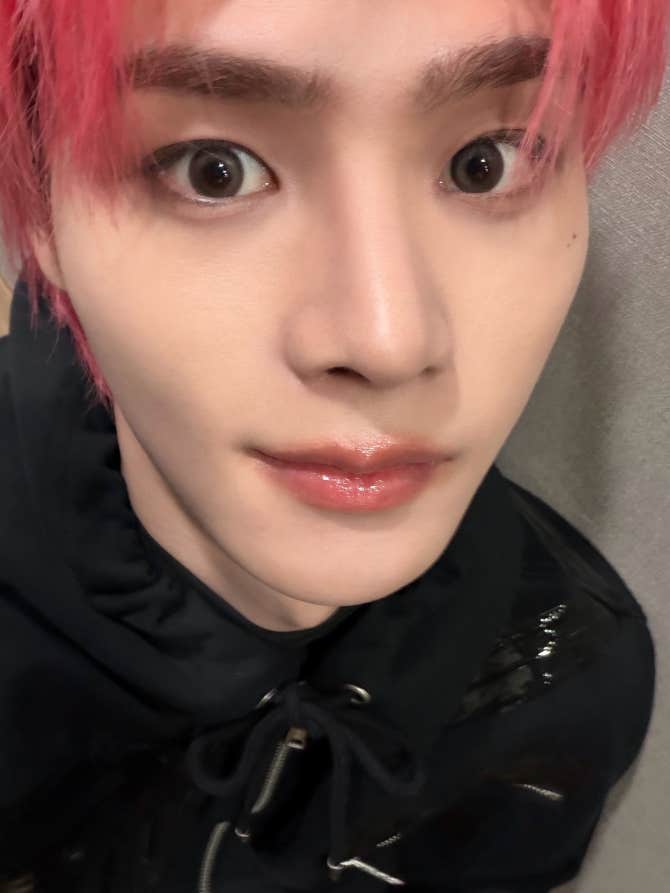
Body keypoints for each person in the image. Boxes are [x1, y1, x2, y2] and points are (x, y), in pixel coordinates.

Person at [0, 1, 668, 891]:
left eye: (487, 162)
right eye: (214, 171)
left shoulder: (565, 676)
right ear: (44, 222)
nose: (388, 340)